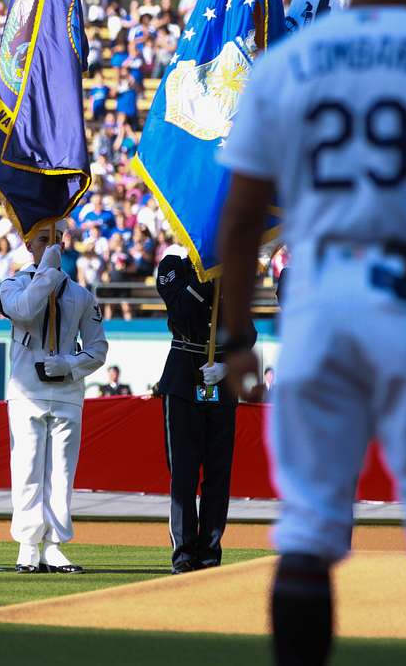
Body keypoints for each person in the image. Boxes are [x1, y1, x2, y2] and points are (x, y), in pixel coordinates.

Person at [217, 0, 406, 663]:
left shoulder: (290, 60)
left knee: (309, 528)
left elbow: (240, 218)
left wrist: (235, 338)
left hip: (318, 289)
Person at [0, 223, 108, 574]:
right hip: (26, 391)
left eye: (55, 239)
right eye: (43, 240)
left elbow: (98, 348)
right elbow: (24, 310)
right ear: (28, 243)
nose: (51, 245)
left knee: (61, 473)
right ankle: (28, 544)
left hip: (66, 394)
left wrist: (69, 364)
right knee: (28, 468)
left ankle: (55, 545)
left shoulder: (79, 294)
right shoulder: (14, 284)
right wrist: (46, 272)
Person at [156, 246, 255, 574]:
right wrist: (207, 276)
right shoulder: (172, 264)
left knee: (218, 476)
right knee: (183, 474)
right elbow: (181, 309)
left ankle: (210, 553)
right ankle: (184, 554)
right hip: (184, 379)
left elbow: (248, 332)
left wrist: (227, 366)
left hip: (220, 383)